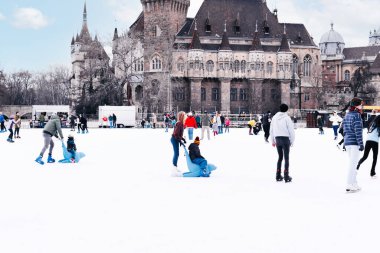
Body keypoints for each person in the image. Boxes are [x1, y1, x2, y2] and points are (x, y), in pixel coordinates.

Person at [342, 97, 364, 193]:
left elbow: (344, 129)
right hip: (354, 143)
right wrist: (361, 144)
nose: (362, 106)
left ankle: (354, 183)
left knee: (353, 164)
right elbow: (358, 131)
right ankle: (349, 184)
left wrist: (345, 142)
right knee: (353, 164)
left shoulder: (347, 115)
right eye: (361, 104)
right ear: (357, 105)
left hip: (347, 143)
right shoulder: (357, 116)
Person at [270, 104, 295, 183]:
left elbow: (272, 129)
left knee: (280, 157)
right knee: (286, 157)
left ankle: (278, 175)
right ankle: (286, 175)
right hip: (285, 139)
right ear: (286, 110)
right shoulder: (287, 118)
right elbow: (291, 130)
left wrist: (273, 140)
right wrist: (292, 141)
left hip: (277, 138)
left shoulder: (274, 118)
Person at [171, 111, 186, 176]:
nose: (185, 117)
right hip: (174, 139)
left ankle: (175, 167)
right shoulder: (179, 123)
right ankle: (174, 167)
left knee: (177, 153)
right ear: (181, 116)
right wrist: (180, 140)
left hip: (176, 139)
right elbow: (176, 134)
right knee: (176, 153)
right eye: (184, 115)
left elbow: (178, 134)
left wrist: (182, 139)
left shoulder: (181, 123)